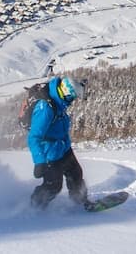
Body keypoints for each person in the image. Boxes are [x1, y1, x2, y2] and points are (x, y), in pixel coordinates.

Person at [28, 75, 88, 209]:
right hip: (50, 155)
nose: (72, 101)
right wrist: (39, 161)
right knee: (53, 186)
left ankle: (80, 202)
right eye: (72, 97)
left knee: (76, 174)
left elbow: (61, 129)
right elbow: (34, 137)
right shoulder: (45, 108)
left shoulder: (60, 104)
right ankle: (35, 207)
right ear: (66, 93)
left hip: (63, 148)